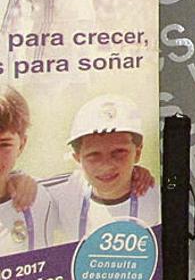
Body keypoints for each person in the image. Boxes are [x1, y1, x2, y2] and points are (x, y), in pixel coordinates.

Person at [50, 94, 160, 241]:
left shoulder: (158, 200)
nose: (106, 165)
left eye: (119, 152)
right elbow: (15, 186)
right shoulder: (63, 192)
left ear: (137, 153)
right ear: (77, 158)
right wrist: (22, 183)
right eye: (93, 155)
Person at [0, 85, 56, 254]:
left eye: (3, 145)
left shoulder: (41, 196)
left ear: (22, 144)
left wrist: (136, 174)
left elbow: (93, 182)